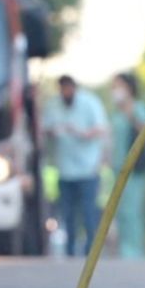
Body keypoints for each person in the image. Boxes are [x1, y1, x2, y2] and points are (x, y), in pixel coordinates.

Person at [43, 75, 108, 256]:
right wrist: (53, 132)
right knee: (68, 214)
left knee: (88, 213)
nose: (66, 93)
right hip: (65, 170)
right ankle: (70, 251)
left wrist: (82, 133)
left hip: (88, 169)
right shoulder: (53, 105)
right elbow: (44, 128)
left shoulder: (89, 103)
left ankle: (91, 251)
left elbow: (101, 128)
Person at [108, 72, 145, 258]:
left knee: (131, 210)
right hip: (117, 167)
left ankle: (134, 252)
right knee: (121, 212)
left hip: (135, 168)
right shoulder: (115, 113)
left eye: (119, 86)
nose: (115, 90)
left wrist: (130, 112)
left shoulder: (138, 108)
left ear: (129, 88)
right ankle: (125, 250)